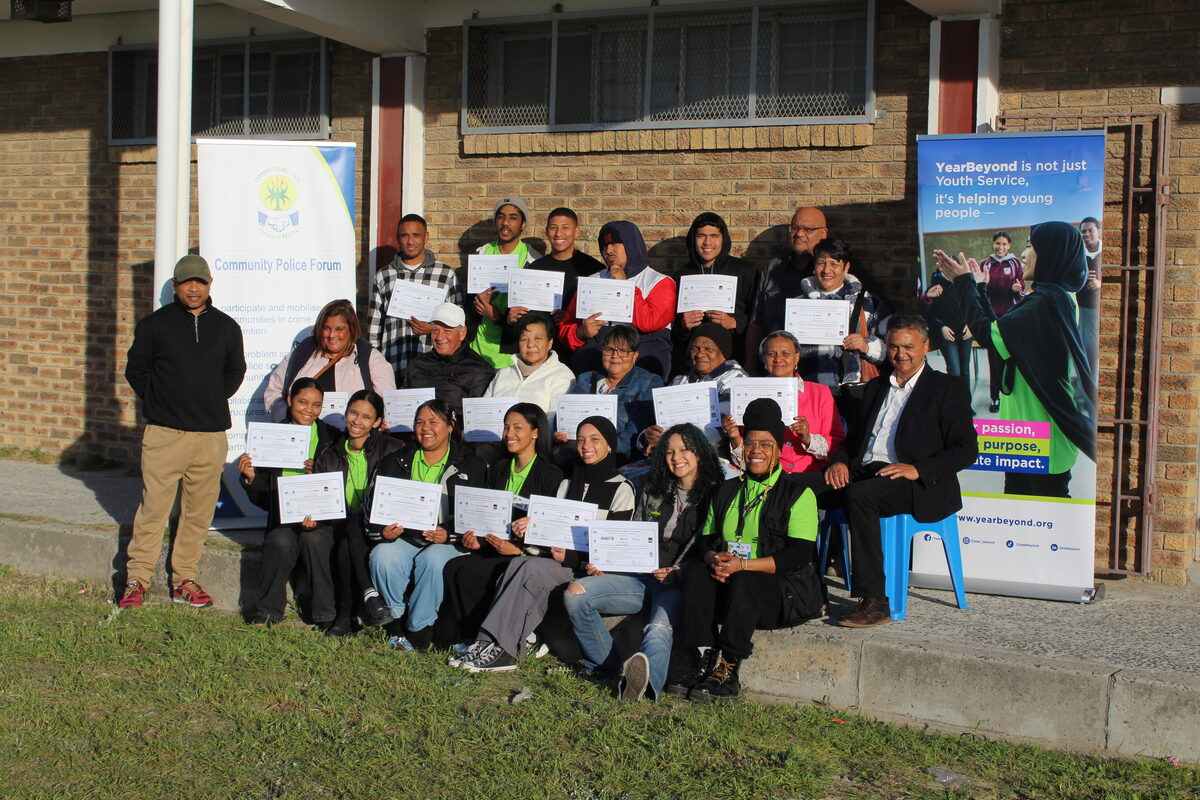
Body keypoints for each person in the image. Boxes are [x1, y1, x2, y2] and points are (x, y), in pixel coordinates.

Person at [824, 313, 978, 628]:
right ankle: (796, 588)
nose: (900, 355)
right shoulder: (877, 386)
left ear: (926, 346)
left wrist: (918, 469)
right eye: (893, 347)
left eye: (908, 347)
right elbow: (851, 443)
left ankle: (875, 601)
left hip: (916, 482)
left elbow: (966, 449)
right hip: (864, 470)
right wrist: (839, 462)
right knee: (794, 487)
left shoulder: (947, 388)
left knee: (860, 496)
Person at [453, 417, 637, 672]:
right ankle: (488, 642)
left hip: (588, 569)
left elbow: (614, 550)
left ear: (609, 447)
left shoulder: (622, 489)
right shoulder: (567, 484)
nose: (586, 446)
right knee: (520, 563)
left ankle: (504, 650)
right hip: (558, 560)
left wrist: (572, 559)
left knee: (529, 568)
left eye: (595, 440)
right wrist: (531, 529)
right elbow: (547, 538)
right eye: (581, 439)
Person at [671, 399, 824, 701]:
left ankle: (728, 669)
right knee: (697, 571)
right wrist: (714, 557)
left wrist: (743, 565)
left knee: (747, 579)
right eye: (751, 443)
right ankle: (701, 657)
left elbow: (798, 556)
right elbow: (705, 540)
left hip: (781, 594)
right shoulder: (726, 490)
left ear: (779, 450)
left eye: (766, 445)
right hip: (731, 584)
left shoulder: (798, 493)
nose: (756, 451)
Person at [120, 254, 246, 609]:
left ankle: (184, 579)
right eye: (186, 281)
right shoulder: (154, 326)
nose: (194, 287)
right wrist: (162, 401)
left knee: (198, 512)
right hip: (165, 435)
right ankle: (137, 578)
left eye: (200, 281)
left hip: (209, 437)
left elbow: (234, 372)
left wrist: (207, 398)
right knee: (154, 509)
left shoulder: (226, 327)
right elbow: (136, 372)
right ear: (175, 286)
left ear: (209, 285)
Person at [564, 423, 724, 701]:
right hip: (639, 577)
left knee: (658, 627)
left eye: (685, 450)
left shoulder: (717, 495)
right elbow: (632, 535)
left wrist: (679, 571)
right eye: (670, 451)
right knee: (576, 594)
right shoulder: (654, 488)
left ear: (700, 453)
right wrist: (607, 562)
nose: (676, 457)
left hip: (678, 582)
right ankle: (608, 666)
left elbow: (710, 548)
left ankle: (646, 686)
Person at [936, 222, 1096, 498]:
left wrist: (963, 284)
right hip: (1023, 433)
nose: (1023, 254)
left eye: (1032, 246)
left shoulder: (1045, 303)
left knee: (1043, 519)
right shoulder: (1055, 297)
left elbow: (986, 334)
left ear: (1052, 254)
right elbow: (1002, 331)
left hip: (1042, 439)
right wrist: (981, 289)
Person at [435, 403, 565, 650]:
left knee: (474, 573)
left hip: (523, 555)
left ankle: (488, 638)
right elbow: (483, 513)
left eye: (517, 428)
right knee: (454, 566)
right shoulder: (499, 469)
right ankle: (465, 635)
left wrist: (516, 549)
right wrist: (476, 539)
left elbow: (549, 528)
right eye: (506, 427)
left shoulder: (551, 475)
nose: (509, 434)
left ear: (536, 432)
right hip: (493, 546)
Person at [364, 398, 488, 651]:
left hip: (445, 540)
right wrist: (383, 531)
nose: (425, 428)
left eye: (434, 422)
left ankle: (420, 628)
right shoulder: (394, 461)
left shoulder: (473, 465)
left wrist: (449, 535)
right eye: (419, 422)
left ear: (451, 426)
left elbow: (479, 515)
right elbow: (372, 510)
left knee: (432, 560)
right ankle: (396, 620)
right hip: (405, 537)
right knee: (382, 555)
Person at [236, 377, 340, 624]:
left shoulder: (333, 438)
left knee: (314, 539)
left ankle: (325, 613)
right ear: (289, 400)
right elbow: (263, 499)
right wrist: (250, 478)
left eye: (316, 405)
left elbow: (340, 484)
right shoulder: (273, 437)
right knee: (280, 541)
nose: (309, 410)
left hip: (321, 518)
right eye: (303, 402)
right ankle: (268, 612)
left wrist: (320, 474)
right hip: (283, 517)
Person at [307, 390, 405, 636]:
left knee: (350, 536)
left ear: (377, 423)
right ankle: (368, 597)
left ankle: (345, 615)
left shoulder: (395, 449)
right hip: (339, 524)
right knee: (348, 531)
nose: (357, 421)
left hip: (378, 524)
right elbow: (320, 498)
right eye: (353, 413)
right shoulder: (329, 453)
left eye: (365, 417)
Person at [558, 220, 677, 381]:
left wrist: (625, 285)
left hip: (643, 373)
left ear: (632, 244)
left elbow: (649, 321)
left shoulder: (659, 282)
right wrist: (581, 333)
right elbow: (566, 327)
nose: (609, 250)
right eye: (604, 245)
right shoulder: (591, 281)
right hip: (595, 373)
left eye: (616, 243)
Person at [723, 330, 845, 477]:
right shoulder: (749, 392)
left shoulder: (820, 393)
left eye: (785, 354)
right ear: (764, 359)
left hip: (809, 475)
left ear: (797, 358)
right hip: (766, 477)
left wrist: (807, 438)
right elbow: (742, 461)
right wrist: (735, 438)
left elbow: (835, 446)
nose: (778, 359)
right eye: (771, 354)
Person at [265, 299, 395, 422]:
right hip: (307, 437)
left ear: (351, 329)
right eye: (326, 328)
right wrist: (286, 419)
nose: (332, 335)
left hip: (351, 440)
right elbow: (274, 391)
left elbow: (387, 402)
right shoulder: (302, 354)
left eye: (339, 329)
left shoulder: (369, 358)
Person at [366, 214, 463, 378]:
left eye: (416, 235)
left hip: (434, 366)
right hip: (392, 364)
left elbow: (458, 324)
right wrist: (374, 366)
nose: (410, 241)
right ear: (398, 238)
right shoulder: (384, 275)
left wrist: (431, 328)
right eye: (405, 236)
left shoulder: (446, 275)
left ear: (426, 237)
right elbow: (374, 327)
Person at [796, 238, 887, 400]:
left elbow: (887, 351)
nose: (826, 270)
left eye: (834, 264)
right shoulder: (796, 304)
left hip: (852, 392)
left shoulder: (867, 303)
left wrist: (865, 345)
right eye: (821, 263)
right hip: (808, 393)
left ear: (846, 268)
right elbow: (770, 347)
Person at [672, 212, 759, 377]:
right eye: (701, 236)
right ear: (693, 239)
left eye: (714, 236)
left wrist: (734, 322)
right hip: (693, 364)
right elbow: (672, 328)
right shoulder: (682, 275)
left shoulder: (744, 271)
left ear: (723, 239)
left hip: (734, 357)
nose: (707, 242)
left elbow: (757, 315)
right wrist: (683, 325)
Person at [640, 323, 747, 456]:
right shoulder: (679, 380)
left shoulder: (736, 380)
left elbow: (720, 434)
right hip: (674, 455)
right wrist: (649, 436)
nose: (700, 354)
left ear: (723, 353)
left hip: (715, 457)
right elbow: (660, 421)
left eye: (708, 348)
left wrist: (670, 442)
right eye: (695, 348)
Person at [562, 324, 663, 464]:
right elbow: (567, 419)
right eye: (609, 349)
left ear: (635, 355)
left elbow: (634, 434)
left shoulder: (649, 382)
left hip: (618, 460)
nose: (615, 356)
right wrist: (562, 435)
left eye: (623, 350)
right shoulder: (586, 380)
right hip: (580, 454)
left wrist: (601, 452)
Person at [745, 207, 828, 368]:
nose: (799, 234)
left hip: (818, 369)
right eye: (795, 228)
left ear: (823, 233)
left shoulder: (833, 270)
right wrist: (750, 364)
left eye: (808, 229)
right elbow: (756, 321)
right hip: (775, 367)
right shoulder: (773, 267)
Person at [469, 195, 543, 369]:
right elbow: (470, 302)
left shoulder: (533, 260)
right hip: (477, 349)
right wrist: (478, 303)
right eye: (501, 217)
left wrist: (497, 316)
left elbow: (533, 315)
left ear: (523, 224)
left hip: (510, 353)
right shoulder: (482, 252)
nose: (505, 223)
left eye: (513, 217)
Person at [483, 312, 575, 430]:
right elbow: (484, 411)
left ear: (550, 343)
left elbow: (553, 423)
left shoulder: (562, 376)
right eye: (524, 339)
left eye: (538, 339)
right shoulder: (503, 373)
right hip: (495, 443)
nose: (531, 345)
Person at [402, 302, 495, 415]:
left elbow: (478, 417)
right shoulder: (417, 364)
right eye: (435, 330)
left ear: (462, 333)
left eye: (447, 331)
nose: (440, 337)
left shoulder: (479, 370)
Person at [979, 231, 1025, 413]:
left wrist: (1016, 289)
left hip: (1011, 318)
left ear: (1009, 246)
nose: (1001, 247)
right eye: (998, 244)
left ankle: (1011, 394)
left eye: (1004, 244)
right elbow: (979, 292)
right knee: (995, 361)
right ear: (993, 244)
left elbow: (1021, 292)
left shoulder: (1015, 264)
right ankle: (995, 397)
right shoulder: (985, 264)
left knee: (1013, 358)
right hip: (992, 319)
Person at [918, 268, 974, 382]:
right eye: (945, 269)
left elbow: (975, 309)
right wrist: (941, 327)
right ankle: (953, 398)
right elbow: (927, 314)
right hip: (947, 335)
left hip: (965, 333)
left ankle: (965, 399)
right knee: (954, 371)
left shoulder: (966, 286)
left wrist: (971, 325)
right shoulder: (935, 288)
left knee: (965, 371)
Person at [1077, 216, 1102, 378]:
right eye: (1083, 231)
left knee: (1097, 350)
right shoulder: (1077, 254)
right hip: (1082, 310)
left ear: (1098, 231)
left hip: (1100, 310)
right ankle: (1082, 388)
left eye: (1090, 230)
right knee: (1083, 350)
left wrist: (1100, 283)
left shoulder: (1107, 254)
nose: (1087, 234)